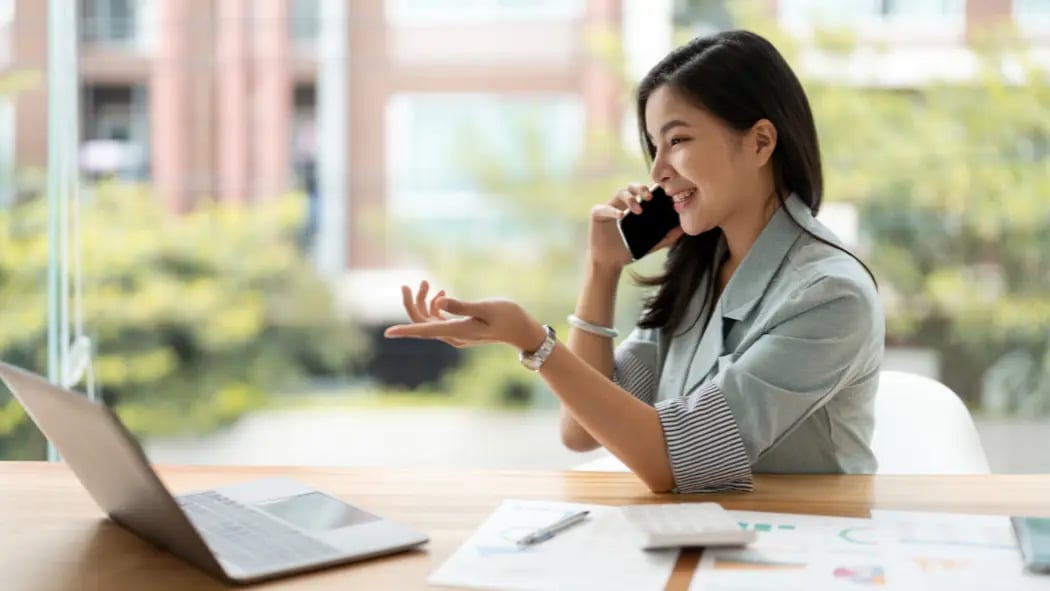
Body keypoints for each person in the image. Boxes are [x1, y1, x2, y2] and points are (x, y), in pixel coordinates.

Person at [384, 30, 884, 494]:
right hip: (707, 535)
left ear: (759, 142)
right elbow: (581, 429)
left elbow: (671, 461)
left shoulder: (829, 295)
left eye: (679, 140)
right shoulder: (701, 271)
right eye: (654, 145)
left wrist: (533, 341)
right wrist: (602, 269)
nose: (658, 170)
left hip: (810, 548)